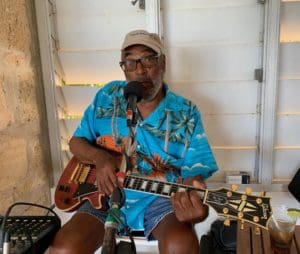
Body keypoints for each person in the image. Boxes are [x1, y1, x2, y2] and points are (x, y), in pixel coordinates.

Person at [50, 29, 218, 254]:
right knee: (64, 248)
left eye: (148, 59)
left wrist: (197, 207)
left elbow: (193, 178)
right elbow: (76, 142)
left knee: (181, 244)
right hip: (103, 195)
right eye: (130, 62)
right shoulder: (107, 96)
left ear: (163, 63)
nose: (139, 70)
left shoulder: (186, 112)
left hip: (160, 200)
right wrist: (100, 159)